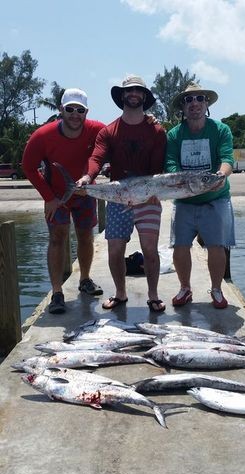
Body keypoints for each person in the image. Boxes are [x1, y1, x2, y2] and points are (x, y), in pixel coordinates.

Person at [77, 75, 167, 312]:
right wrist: (88, 178)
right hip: (118, 197)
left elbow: (159, 168)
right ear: (122, 96)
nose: (134, 94)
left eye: (138, 90)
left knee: (150, 249)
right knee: (115, 248)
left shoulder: (157, 130)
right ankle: (120, 293)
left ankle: (154, 295)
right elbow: (97, 157)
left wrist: (153, 191)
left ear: (144, 97)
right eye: (129, 90)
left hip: (149, 198)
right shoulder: (109, 131)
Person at [22, 88, 105, 314]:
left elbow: (115, 141)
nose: (75, 114)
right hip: (57, 196)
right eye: (70, 109)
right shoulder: (43, 135)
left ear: (86, 112)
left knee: (86, 236)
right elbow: (28, 166)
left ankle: (85, 279)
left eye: (80, 110)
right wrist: (49, 197)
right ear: (61, 110)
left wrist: (150, 119)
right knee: (57, 238)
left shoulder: (97, 130)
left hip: (85, 194)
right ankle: (57, 292)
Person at [165, 82, 235, 309]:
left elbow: (227, 158)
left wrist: (221, 176)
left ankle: (216, 289)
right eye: (188, 99)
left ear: (206, 104)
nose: (194, 103)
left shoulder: (221, 130)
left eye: (199, 98)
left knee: (217, 245)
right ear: (182, 107)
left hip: (215, 198)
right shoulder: (174, 135)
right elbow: (171, 162)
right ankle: (185, 288)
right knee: (180, 246)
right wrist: (181, 180)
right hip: (184, 199)